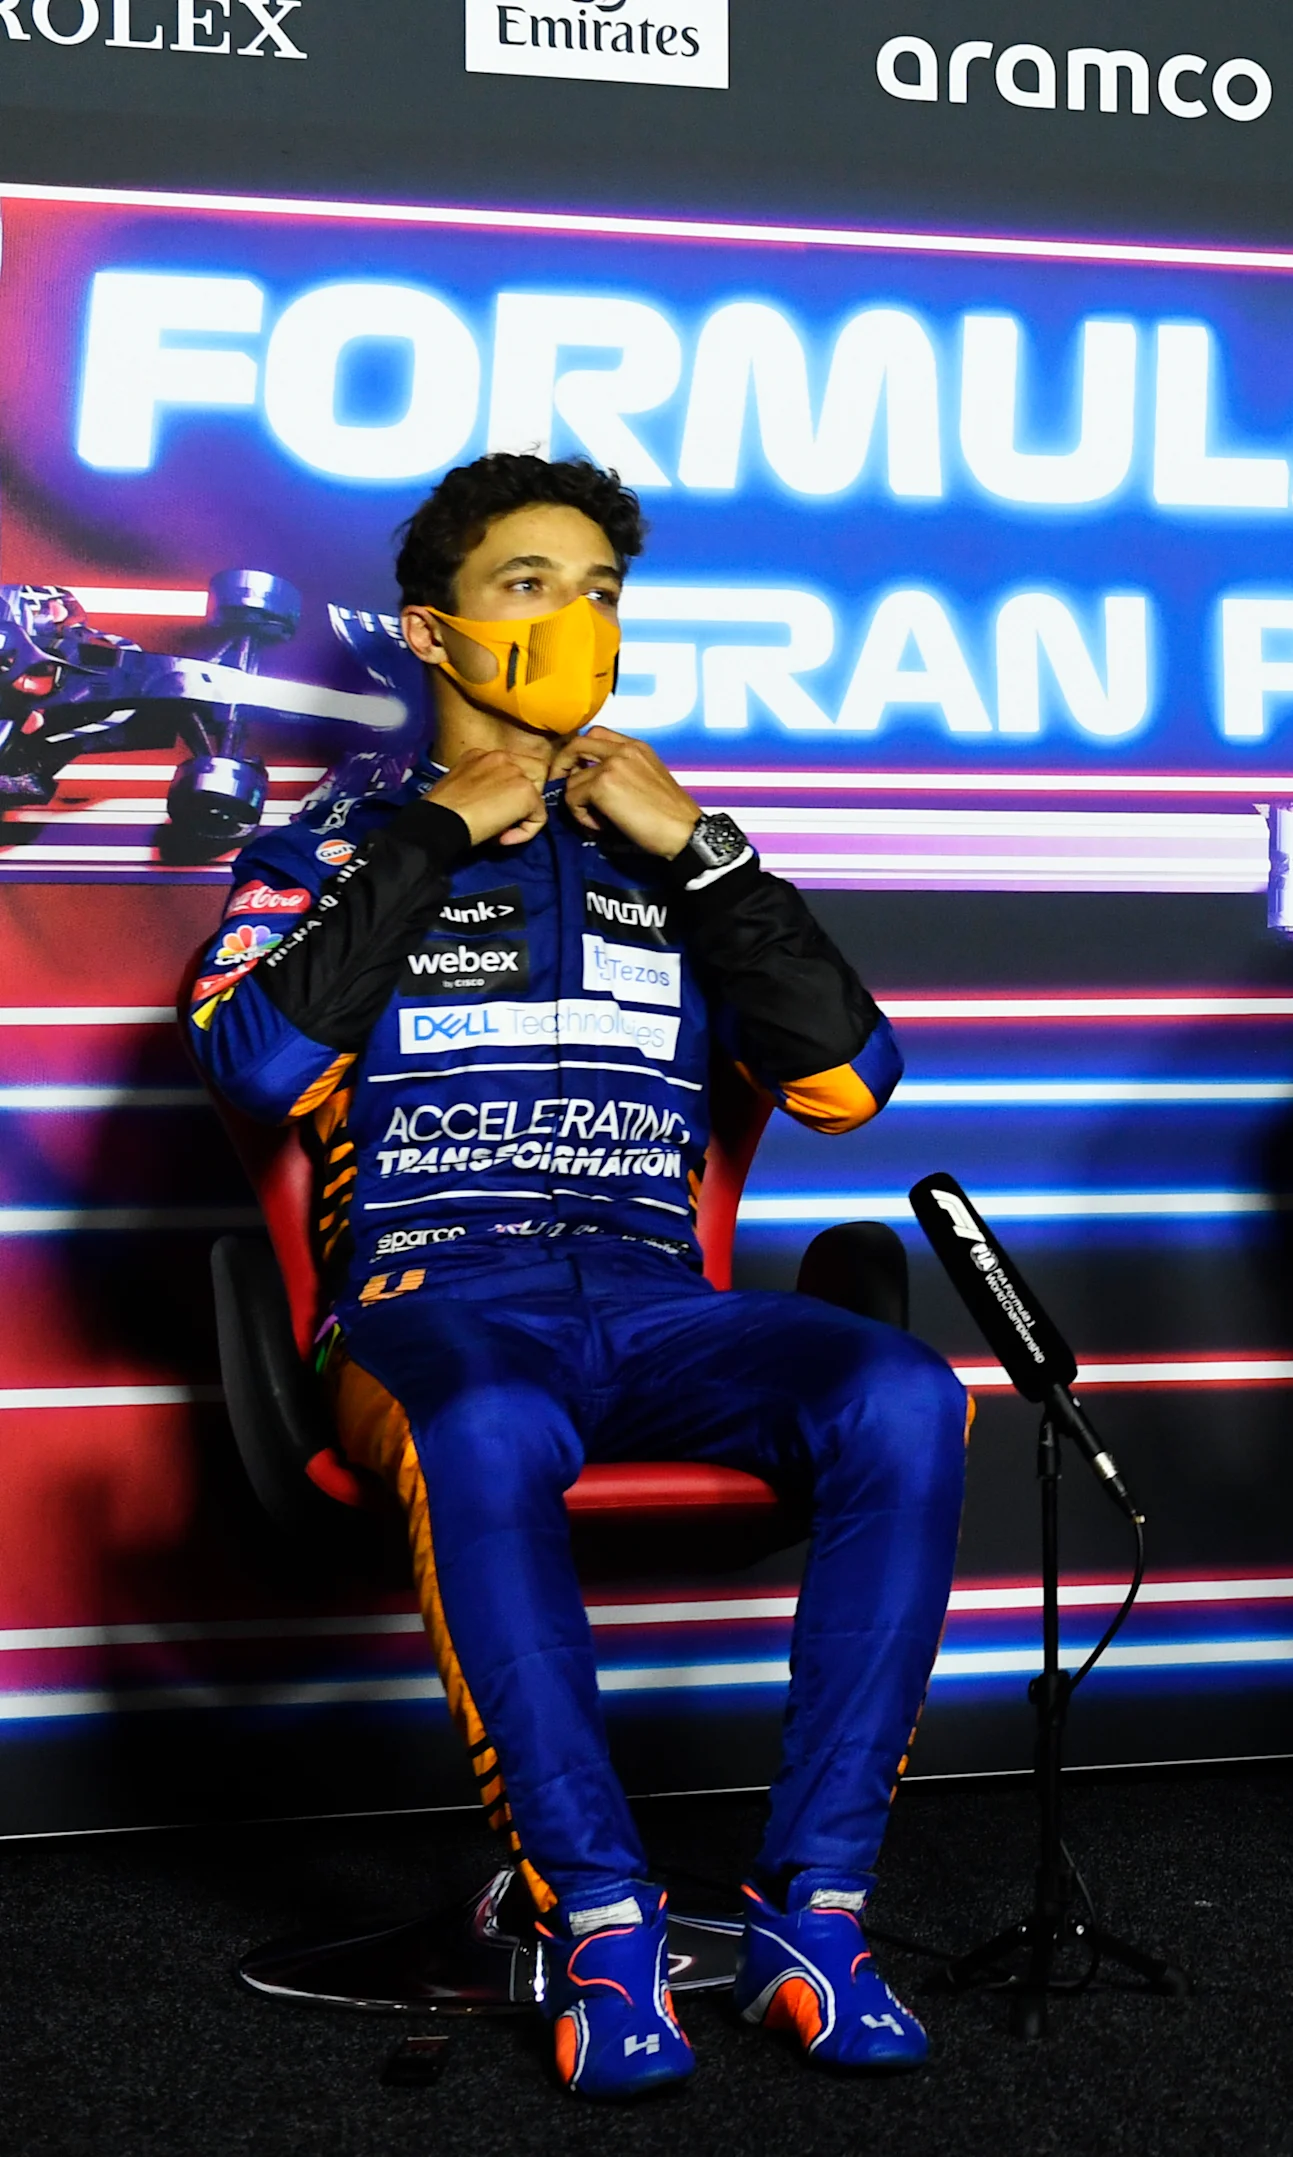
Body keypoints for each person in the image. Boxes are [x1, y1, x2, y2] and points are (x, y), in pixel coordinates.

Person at [182, 455, 967, 2093]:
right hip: (434, 1308)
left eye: (601, 590)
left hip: (654, 1301)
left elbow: (845, 1087)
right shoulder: (324, 839)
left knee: (898, 1386)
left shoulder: (671, 853)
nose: (576, 619)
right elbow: (252, 1067)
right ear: (434, 629)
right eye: (531, 585)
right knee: (478, 1430)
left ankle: (814, 1916)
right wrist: (427, 836)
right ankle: (600, 1919)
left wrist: (707, 851)